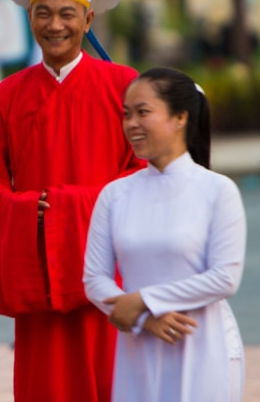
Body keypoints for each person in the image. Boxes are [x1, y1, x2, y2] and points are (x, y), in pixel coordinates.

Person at [0, 0, 145, 402]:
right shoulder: (7, 96)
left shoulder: (125, 87)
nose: (54, 24)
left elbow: (145, 174)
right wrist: (29, 214)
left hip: (110, 276)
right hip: (39, 279)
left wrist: (72, 208)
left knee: (113, 381)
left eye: (67, 13)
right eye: (42, 12)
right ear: (29, 17)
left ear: (88, 19)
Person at [84, 68, 246, 401]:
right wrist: (144, 319)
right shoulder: (114, 195)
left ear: (180, 118)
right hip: (138, 350)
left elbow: (224, 278)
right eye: (126, 114)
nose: (131, 124)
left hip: (203, 348)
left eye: (143, 112)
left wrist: (143, 301)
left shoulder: (217, 190)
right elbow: (94, 279)